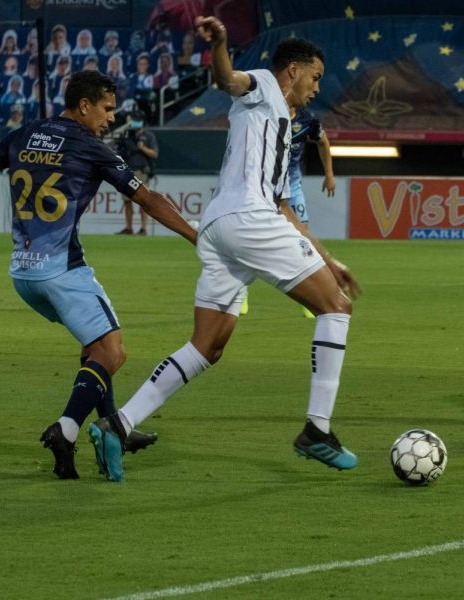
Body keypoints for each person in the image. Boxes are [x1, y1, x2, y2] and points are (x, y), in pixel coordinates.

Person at [87, 16, 362, 483]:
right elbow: (226, 78)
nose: (318, 88)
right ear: (292, 71)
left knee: (207, 347)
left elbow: (284, 209)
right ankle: (317, 429)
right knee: (336, 307)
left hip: (222, 227)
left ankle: (118, 424)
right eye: (315, 77)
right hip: (247, 220)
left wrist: (328, 259)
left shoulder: (281, 126)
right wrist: (220, 43)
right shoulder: (265, 88)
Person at [0, 70, 199, 480]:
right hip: (61, 270)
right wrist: (197, 237)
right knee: (113, 352)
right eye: (107, 110)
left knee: (94, 350)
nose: (111, 118)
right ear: (84, 106)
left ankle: (113, 429)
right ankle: (67, 429)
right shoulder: (90, 146)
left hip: (23, 274)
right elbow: (148, 198)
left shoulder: (25, 134)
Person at [244, 105, 336, 318]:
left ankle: (309, 298)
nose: (312, 92)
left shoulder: (308, 119)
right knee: (255, 237)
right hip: (265, 185)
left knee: (303, 237)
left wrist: (329, 174)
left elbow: (322, 142)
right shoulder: (268, 114)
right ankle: (241, 290)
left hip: (292, 185)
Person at [115, 109, 158, 235]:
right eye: (133, 119)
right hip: (127, 171)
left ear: (142, 121)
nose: (135, 122)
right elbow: (119, 151)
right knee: (127, 201)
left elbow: (155, 154)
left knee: (143, 201)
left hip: (141, 171)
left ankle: (143, 228)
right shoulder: (126, 135)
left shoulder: (149, 136)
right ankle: (129, 228)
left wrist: (143, 148)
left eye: (137, 120)